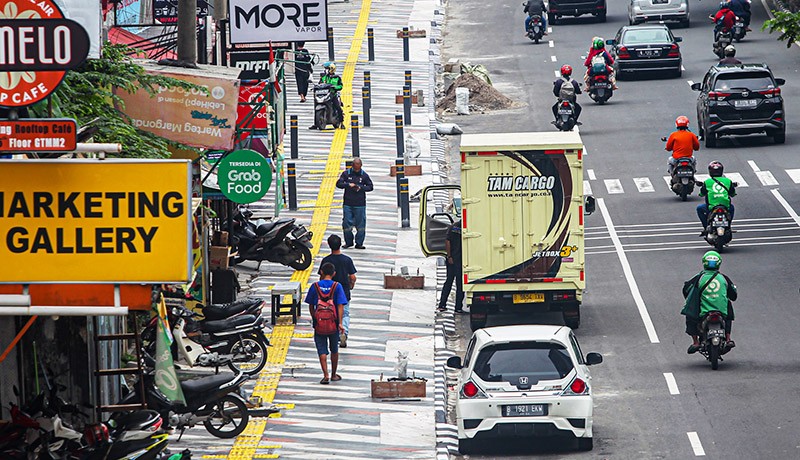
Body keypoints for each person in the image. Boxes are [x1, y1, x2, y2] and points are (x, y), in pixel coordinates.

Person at [681, 251, 737, 354]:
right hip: (721, 311)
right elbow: (733, 296)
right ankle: (728, 338)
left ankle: (696, 342)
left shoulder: (699, 278)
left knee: (690, 314)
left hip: (704, 311)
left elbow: (686, 290)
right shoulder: (724, 279)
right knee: (728, 307)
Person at [305, 262, 347, 384]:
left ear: (321, 272)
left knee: (322, 350)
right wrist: (339, 322)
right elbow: (340, 306)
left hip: (319, 324)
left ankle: (326, 375)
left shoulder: (315, 286)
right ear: (334, 274)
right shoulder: (337, 286)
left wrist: (315, 318)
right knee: (334, 349)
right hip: (333, 324)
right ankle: (334, 374)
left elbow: (311, 305)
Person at [320, 234, 357, 348]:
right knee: (345, 314)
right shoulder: (347, 260)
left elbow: (321, 278)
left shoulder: (326, 260)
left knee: (332, 314)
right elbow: (352, 277)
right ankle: (344, 332)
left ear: (329, 245)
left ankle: (334, 335)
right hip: (344, 292)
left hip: (329, 293)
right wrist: (351, 285)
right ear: (340, 244)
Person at [336, 158, 374, 249]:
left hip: (360, 204)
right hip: (348, 203)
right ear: (352, 166)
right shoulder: (346, 174)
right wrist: (348, 185)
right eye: (355, 168)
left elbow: (370, 187)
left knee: (360, 224)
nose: (357, 170)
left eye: (358, 168)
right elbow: (338, 184)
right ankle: (348, 242)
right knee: (346, 223)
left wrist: (360, 187)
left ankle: (359, 242)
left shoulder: (364, 175)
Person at [697, 161, 736, 235]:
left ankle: (706, 227)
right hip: (725, 206)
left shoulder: (707, 182)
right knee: (732, 208)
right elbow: (732, 193)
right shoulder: (728, 181)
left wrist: (701, 194)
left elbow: (702, 193)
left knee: (699, 208)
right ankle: (729, 225)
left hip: (711, 207)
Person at [437, 219, 465, 313]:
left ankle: (442, 304)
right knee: (460, 284)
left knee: (449, 281)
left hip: (452, 259)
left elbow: (447, 241)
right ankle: (458, 307)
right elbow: (448, 241)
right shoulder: (468, 227)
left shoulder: (454, 226)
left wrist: (449, 256)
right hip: (460, 260)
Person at [309, 62, 345, 130]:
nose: (326, 70)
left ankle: (341, 122)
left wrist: (335, 87)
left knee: (338, 107)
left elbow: (340, 86)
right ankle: (316, 124)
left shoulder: (337, 78)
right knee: (315, 106)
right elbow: (320, 84)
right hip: (323, 94)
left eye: (327, 69)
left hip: (332, 94)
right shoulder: (324, 77)